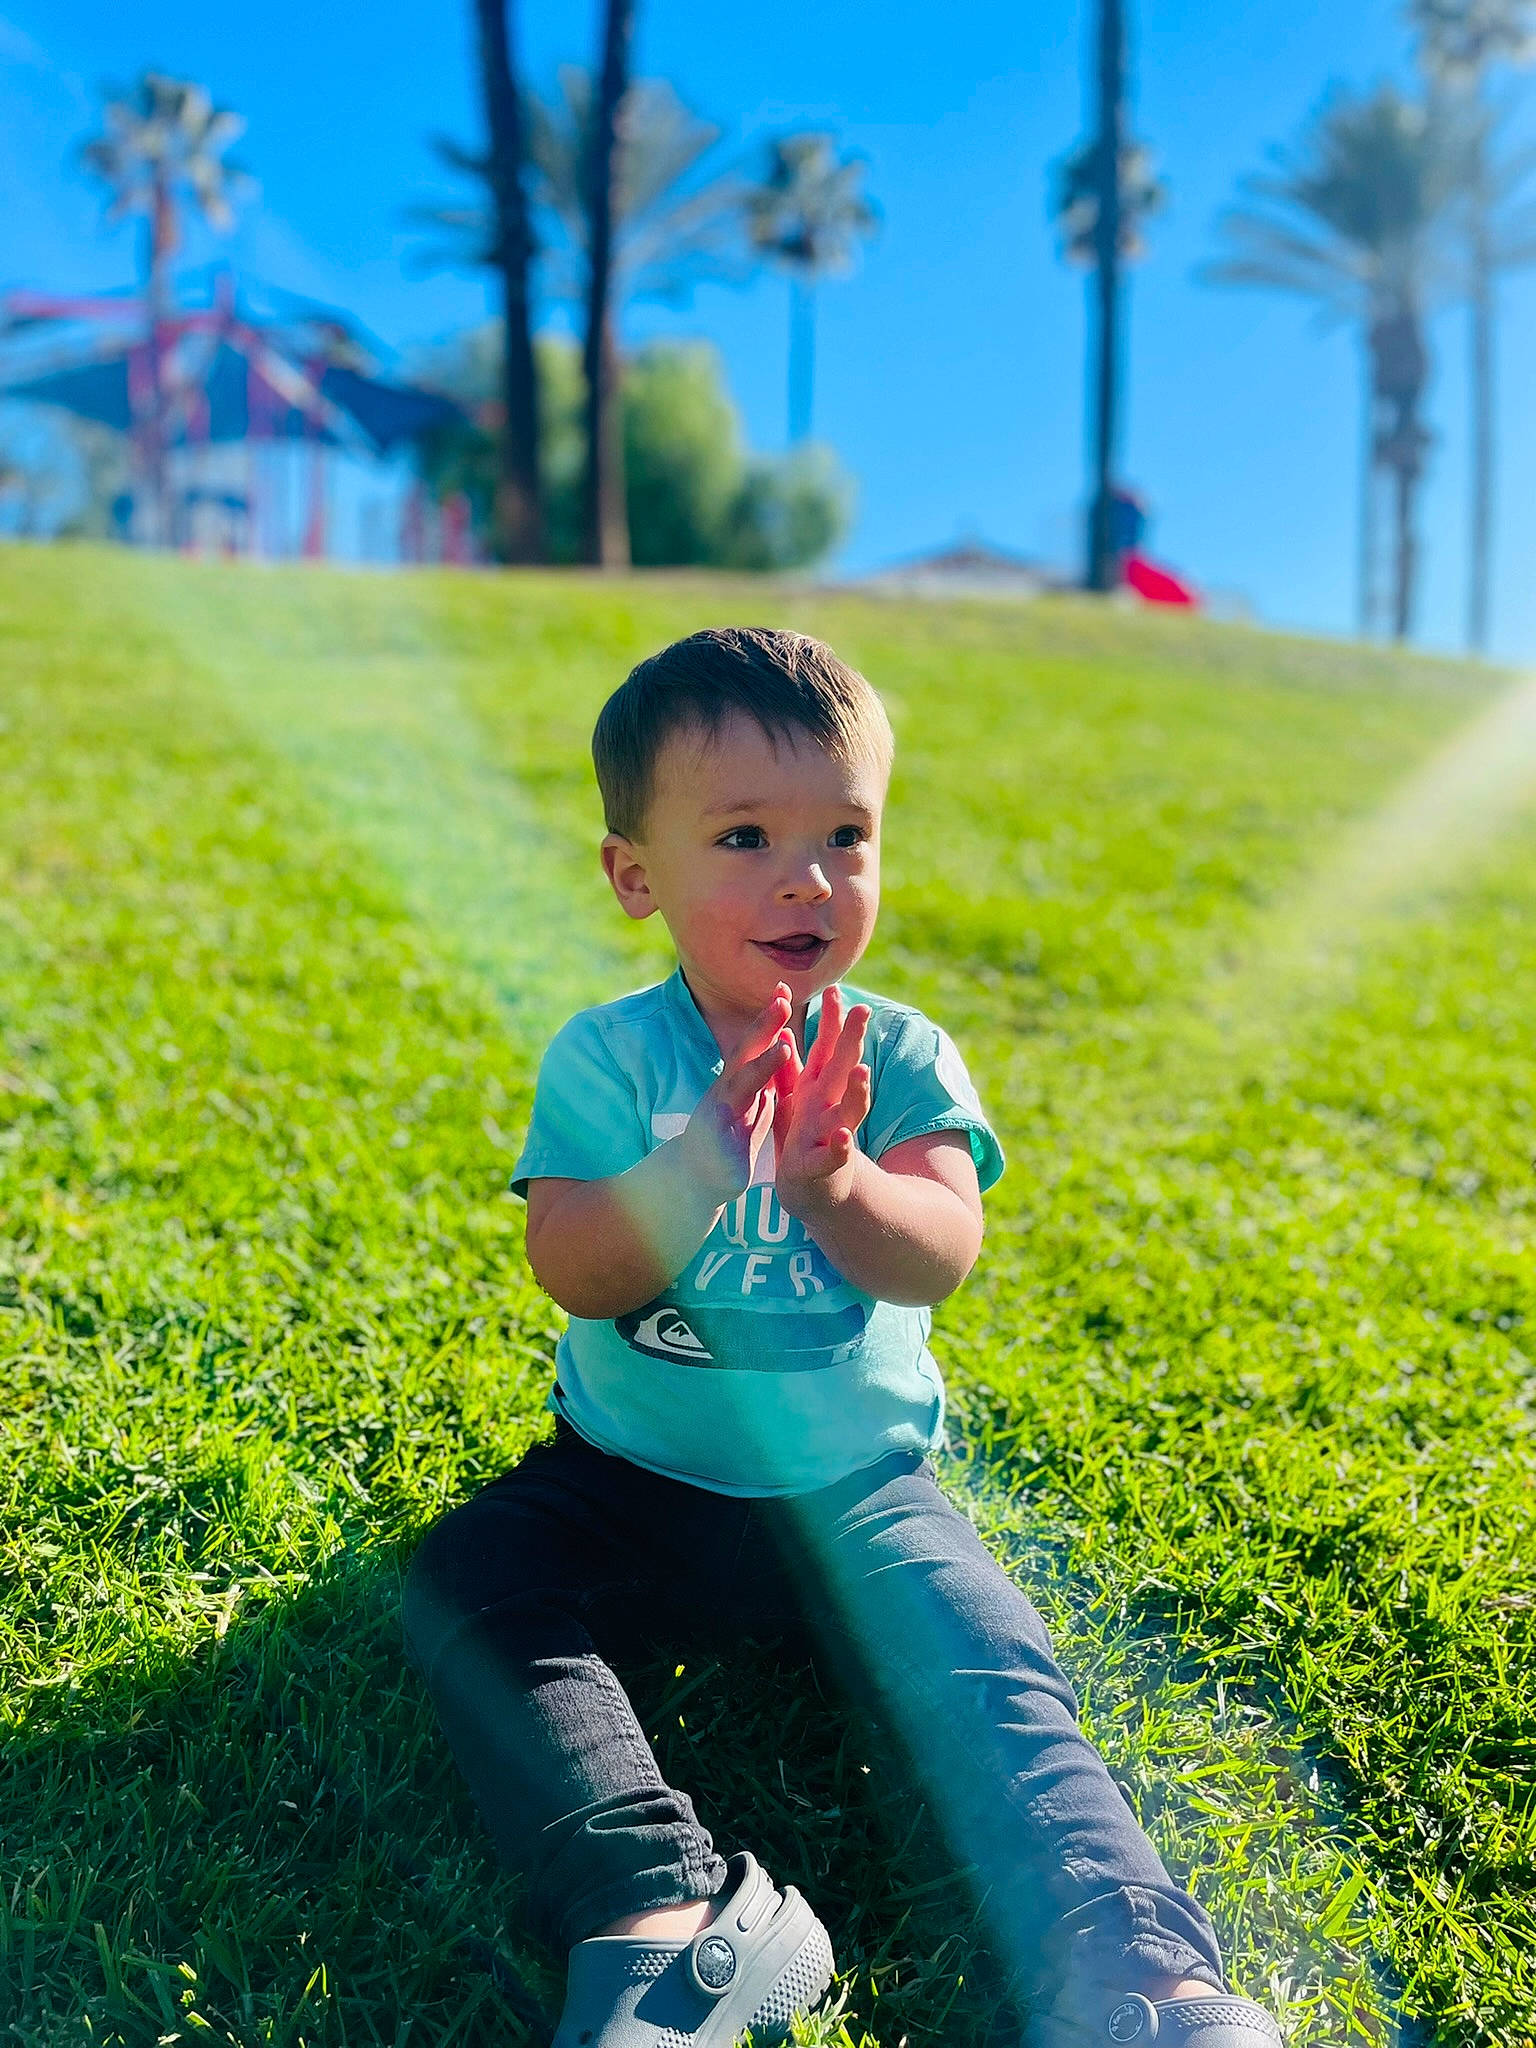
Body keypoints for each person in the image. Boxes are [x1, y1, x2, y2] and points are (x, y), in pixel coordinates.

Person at [404, 628, 1283, 2048]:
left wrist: (839, 1183)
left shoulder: (902, 1054)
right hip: (627, 1479)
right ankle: (664, 1919)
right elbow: (572, 1268)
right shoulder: (609, 1060)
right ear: (638, 877)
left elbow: (940, 1253)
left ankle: (1138, 1982)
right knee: (468, 1585)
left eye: (845, 835)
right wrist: (694, 1165)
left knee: (992, 1668)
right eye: (745, 835)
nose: (807, 878)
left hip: (862, 1493)